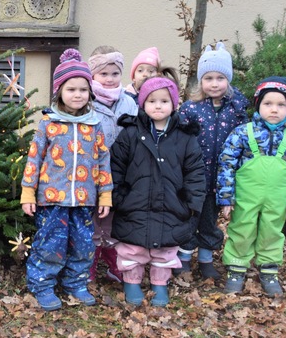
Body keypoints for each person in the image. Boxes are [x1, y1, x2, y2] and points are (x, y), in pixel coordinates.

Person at [21, 49, 113, 311]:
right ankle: (43, 285)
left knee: (84, 245)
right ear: (59, 91)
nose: (77, 94)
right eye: (71, 88)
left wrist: (105, 195)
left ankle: (76, 283)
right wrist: (28, 194)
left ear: (90, 93)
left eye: (83, 89)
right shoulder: (48, 124)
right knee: (51, 243)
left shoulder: (94, 126)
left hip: (84, 200)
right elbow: (34, 160)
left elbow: (103, 163)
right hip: (52, 200)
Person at [110, 77, 206, 307]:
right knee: (132, 248)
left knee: (165, 249)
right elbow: (116, 167)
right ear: (143, 104)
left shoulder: (184, 137)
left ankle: (160, 283)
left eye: (164, 101)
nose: (158, 106)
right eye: (152, 101)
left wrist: (191, 203)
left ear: (174, 104)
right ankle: (131, 280)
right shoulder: (130, 133)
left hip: (172, 204)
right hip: (135, 203)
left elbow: (195, 171)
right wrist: (118, 197)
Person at [218, 76, 286, 297]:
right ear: (258, 105)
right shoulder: (243, 133)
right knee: (242, 228)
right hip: (246, 195)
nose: (274, 109)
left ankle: (269, 268)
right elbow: (227, 164)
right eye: (268, 103)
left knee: (272, 230)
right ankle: (236, 268)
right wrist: (226, 197)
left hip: (277, 197)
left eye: (281, 105)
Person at [176, 42, 249, 280]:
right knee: (189, 219)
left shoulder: (236, 110)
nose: (214, 83)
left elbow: (244, 144)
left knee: (209, 220)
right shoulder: (190, 109)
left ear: (228, 79)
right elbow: (179, 141)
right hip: (194, 178)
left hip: (220, 178)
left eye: (220, 77)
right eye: (208, 78)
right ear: (201, 81)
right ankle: (184, 259)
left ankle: (206, 259)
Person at [86, 47, 138, 283]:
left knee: (114, 219)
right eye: (103, 73)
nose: (109, 79)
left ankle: (112, 259)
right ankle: (90, 259)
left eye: (115, 73)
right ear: (93, 75)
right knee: (94, 216)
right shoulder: (85, 101)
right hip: (92, 172)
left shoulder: (129, 103)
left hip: (123, 172)